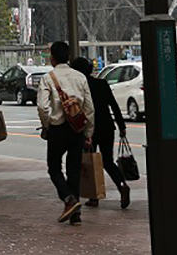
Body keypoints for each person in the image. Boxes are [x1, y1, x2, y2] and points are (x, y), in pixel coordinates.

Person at [37, 41, 95, 225]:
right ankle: (76, 215)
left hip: (57, 128)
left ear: (52, 58)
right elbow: (89, 108)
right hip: (77, 128)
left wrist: (47, 124)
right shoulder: (80, 77)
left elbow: (42, 106)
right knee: (74, 170)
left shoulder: (48, 78)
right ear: (68, 57)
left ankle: (68, 199)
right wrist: (88, 132)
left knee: (54, 167)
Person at [72, 57, 131, 209]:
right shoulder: (101, 83)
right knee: (108, 161)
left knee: (90, 162)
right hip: (107, 127)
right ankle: (122, 185)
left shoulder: (79, 87)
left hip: (89, 129)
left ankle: (94, 197)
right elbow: (113, 104)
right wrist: (121, 125)